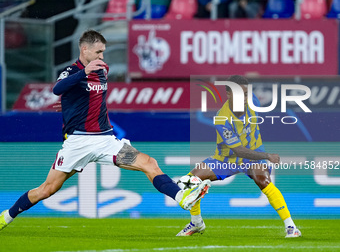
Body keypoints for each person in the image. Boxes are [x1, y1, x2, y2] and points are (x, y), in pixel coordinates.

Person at [0, 30, 211, 231]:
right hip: (78, 143)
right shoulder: (72, 71)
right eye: (98, 51)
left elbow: (89, 99)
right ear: (84, 50)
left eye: (103, 51)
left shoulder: (103, 70)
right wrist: (83, 74)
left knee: (149, 163)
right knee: (47, 189)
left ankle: (182, 198)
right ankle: (6, 217)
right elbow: (57, 89)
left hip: (105, 141)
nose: (102, 56)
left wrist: (73, 103)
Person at [176, 75, 301, 238]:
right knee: (189, 182)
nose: (244, 97)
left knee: (264, 181)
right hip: (226, 159)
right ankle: (196, 223)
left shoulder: (253, 102)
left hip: (253, 155)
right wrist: (267, 155)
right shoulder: (222, 119)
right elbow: (239, 151)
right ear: (228, 94)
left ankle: (291, 227)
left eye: (246, 93)